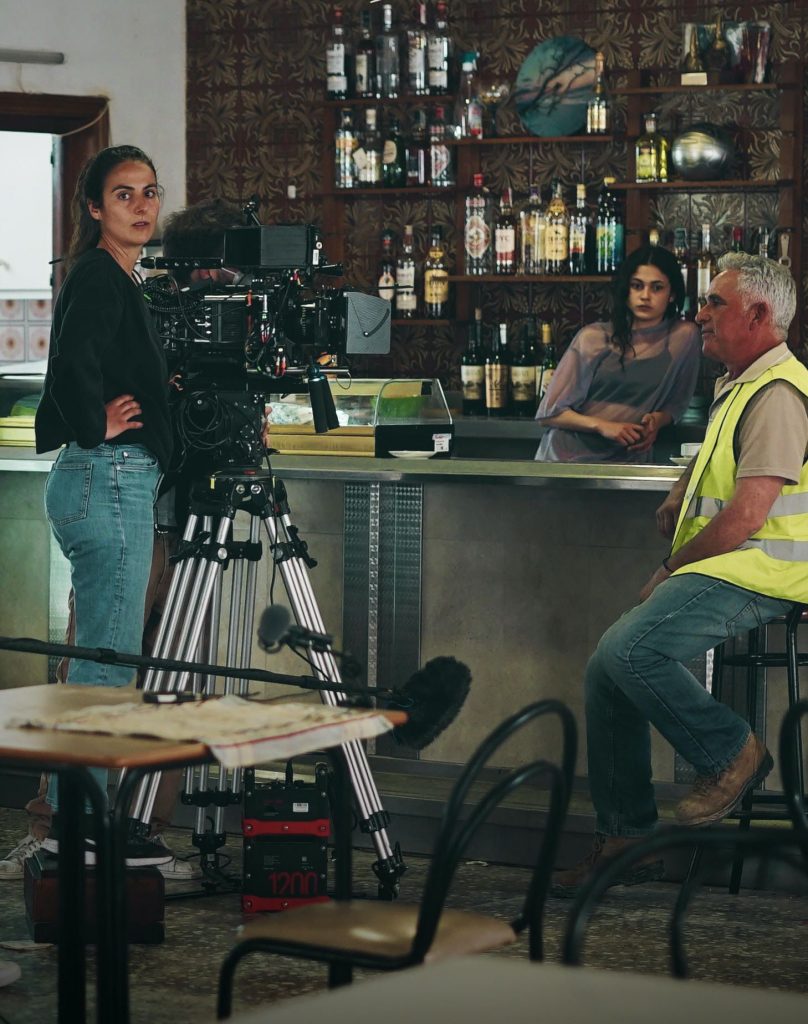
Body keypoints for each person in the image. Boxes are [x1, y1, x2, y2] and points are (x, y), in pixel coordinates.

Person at [0, 197, 243, 882]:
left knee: (171, 675)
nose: (219, 291)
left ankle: (137, 832)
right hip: (123, 497)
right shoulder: (137, 296)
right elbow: (79, 369)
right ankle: (58, 831)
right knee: (96, 661)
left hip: (190, 506)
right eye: (211, 274)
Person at [551, 252, 808, 896]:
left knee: (629, 650)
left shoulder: (778, 391)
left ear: (759, 313)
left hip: (764, 572)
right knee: (606, 668)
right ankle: (626, 841)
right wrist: (681, 484)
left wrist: (668, 569)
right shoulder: (742, 382)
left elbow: (747, 517)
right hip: (730, 564)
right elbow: (724, 462)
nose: (700, 314)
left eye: (715, 304)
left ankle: (731, 754)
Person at [27, 145, 175, 869]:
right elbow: (71, 358)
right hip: (105, 476)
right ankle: (76, 833)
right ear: (94, 208)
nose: (142, 206)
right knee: (106, 669)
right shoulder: (96, 276)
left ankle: (70, 821)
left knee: (99, 662)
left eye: (150, 192)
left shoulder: (121, 277)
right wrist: (96, 422)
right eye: (124, 195)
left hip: (107, 481)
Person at [535, 244, 701, 463]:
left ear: (672, 295)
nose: (645, 296)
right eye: (637, 286)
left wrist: (656, 421)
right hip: (568, 460)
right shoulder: (593, 337)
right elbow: (550, 413)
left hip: (628, 459)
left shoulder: (684, 337)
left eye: (657, 287)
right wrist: (604, 426)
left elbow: (677, 403)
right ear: (626, 291)